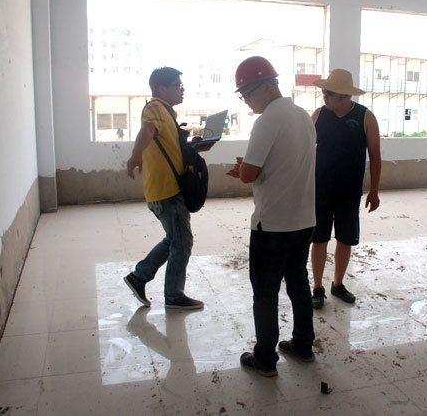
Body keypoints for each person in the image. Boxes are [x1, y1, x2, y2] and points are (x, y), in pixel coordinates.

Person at [226, 56, 317, 377]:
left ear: (266, 86)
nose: (247, 101)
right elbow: (285, 163)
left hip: (272, 225)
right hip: (303, 220)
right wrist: (251, 167)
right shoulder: (302, 116)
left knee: (265, 293)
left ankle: (265, 358)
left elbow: (250, 174)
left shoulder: (266, 121)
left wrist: (242, 169)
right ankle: (303, 344)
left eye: (247, 94)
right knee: (298, 284)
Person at [123, 67, 212, 309]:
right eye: (178, 86)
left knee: (174, 239)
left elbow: (169, 146)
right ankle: (173, 296)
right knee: (182, 242)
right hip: (166, 191)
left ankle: (139, 277)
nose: (182, 90)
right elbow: (147, 130)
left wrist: (194, 147)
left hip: (165, 189)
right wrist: (135, 156)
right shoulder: (155, 108)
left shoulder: (167, 113)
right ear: (162, 88)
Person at [310, 69, 381, 308]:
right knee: (319, 238)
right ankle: (317, 287)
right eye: (323, 93)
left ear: (344, 96)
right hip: (320, 190)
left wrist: (374, 190)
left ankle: (337, 283)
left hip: (349, 192)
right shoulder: (318, 115)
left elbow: (375, 156)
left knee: (345, 239)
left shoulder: (365, 117)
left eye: (328, 94)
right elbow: (304, 150)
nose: (324, 97)